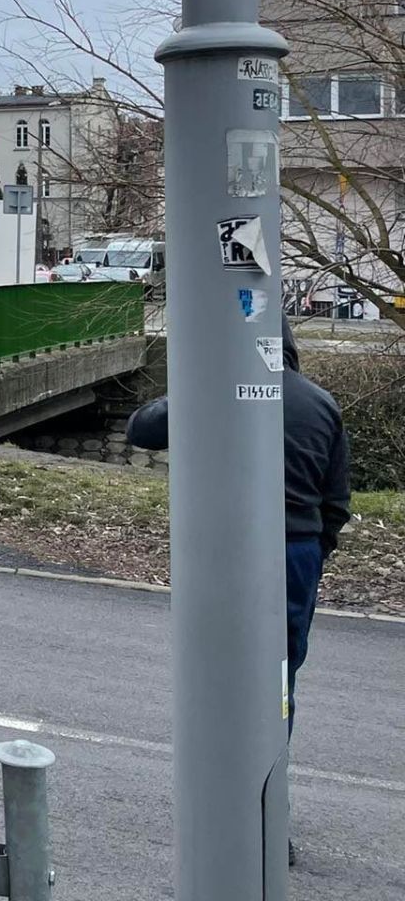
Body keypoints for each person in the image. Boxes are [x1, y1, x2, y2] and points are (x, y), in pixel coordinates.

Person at [126, 318, 350, 863]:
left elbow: (141, 428)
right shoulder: (321, 406)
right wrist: (309, 554)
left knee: (215, 679)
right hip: (295, 553)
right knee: (277, 683)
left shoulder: (215, 391)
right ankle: (268, 816)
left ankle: (217, 807)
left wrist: (199, 375)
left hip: (222, 551)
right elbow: (336, 504)